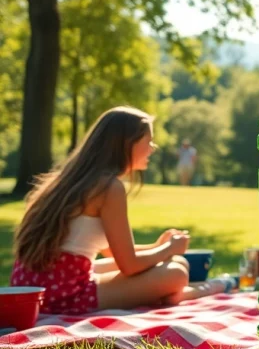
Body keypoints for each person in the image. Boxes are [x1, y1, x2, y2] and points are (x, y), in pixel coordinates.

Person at [11, 106, 232, 314]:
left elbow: (116, 254)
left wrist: (159, 246)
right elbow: (130, 265)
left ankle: (170, 294)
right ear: (128, 144)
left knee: (176, 264)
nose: (152, 148)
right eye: (149, 141)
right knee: (176, 272)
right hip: (61, 294)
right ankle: (183, 293)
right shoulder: (108, 187)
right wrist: (168, 249)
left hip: (33, 286)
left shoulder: (72, 180)